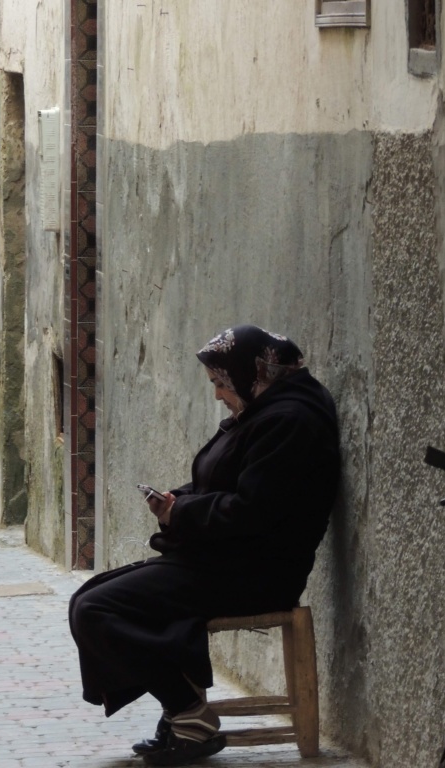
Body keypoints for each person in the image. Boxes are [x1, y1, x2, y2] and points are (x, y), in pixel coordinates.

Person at [68, 325, 341, 766]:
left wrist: (182, 513)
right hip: (222, 561)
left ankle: (189, 714)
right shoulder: (268, 410)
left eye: (221, 383)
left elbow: (253, 511)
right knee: (89, 597)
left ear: (254, 373)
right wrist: (177, 503)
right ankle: (182, 708)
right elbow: (221, 485)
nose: (217, 395)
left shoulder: (289, 422)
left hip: (253, 573)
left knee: (98, 610)